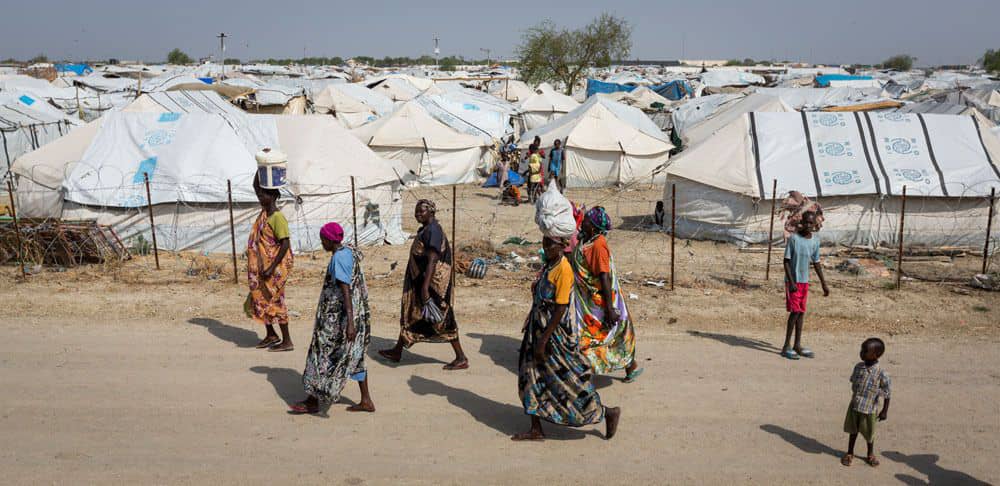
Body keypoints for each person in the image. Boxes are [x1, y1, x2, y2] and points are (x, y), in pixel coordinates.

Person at [512, 236, 621, 441]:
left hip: (553, 337)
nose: (545, 248)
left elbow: (561, 307)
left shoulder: (563, 270)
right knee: (530, 378)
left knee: (568, 384)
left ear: (561, 247)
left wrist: (544, 340)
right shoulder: (549, 266)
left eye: (549, 245)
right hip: (537, 331)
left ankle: (605, 412)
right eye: (543, 244)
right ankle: (536, 427)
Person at [289, 223, 375, 415]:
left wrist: (350, 324)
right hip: (354, 315)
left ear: (329, 240)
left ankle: (312, 400)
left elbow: (345, 291)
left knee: (320, 354)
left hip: (337, 319)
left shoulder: (338, 258)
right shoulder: (349, 251)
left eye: (322, 240)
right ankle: (366, 400)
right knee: (355, 355)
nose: (322, 244)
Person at [379, 200, 470, 370]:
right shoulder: (426, 229)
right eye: (416, 211)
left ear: (432, 212)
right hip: (423, 282)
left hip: (433, 286)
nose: (418, 214)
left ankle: (461, 357)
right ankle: (397, 351)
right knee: (412, 314)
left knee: (442, 318)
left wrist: (425, 287)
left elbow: (432, 260)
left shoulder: (433, 231)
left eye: (421, 211)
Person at [572, 207, 643, 382]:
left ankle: (585, 377)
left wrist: (610, 308)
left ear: (594, 227)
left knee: (598, 336)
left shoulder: (598, 245)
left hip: (600, 300)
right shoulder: (586, 240)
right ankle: (630, 366)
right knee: (606, 334)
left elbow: (603, 276)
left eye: (587, 220)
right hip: (588, 300)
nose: (583, 221)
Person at [247, 175, 294, 351]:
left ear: (273, 196)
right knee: (260, 299)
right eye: (259, 194)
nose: (260, 197)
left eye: (263, 194)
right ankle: (271, 334)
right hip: (261, 268)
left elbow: (285, 244)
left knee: (276, 303)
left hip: (273, 270)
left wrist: (271, 267)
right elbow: (255, 186)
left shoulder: (277, 217)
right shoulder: (265, 214)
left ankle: (287, 340)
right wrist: (260, 169)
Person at [781, 211, 829, 360]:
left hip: (804, 281)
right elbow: (786, 261)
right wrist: (792, 282)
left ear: (814, 224)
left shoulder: (815, 241)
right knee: (794, 312)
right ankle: (786, 345)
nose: (808, 225)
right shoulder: (794, 239)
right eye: (806, 222)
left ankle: (797, 344)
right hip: (793, 282)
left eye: (811, 223)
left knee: (801, 313)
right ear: (801, 222)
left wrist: (823, 283)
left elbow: (816, 262)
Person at [842, 338, 891, 467]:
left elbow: (887, 393)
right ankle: (849, 453)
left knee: (870, 434)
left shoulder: (882, 373)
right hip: (855, 406)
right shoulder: (858, 367)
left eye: (865, 351)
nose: (861, 353)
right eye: (861, 349)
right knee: (853, 431)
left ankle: (870, 454)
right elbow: (854, 382)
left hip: (870, 409)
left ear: (876, 355)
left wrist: (884, 411)